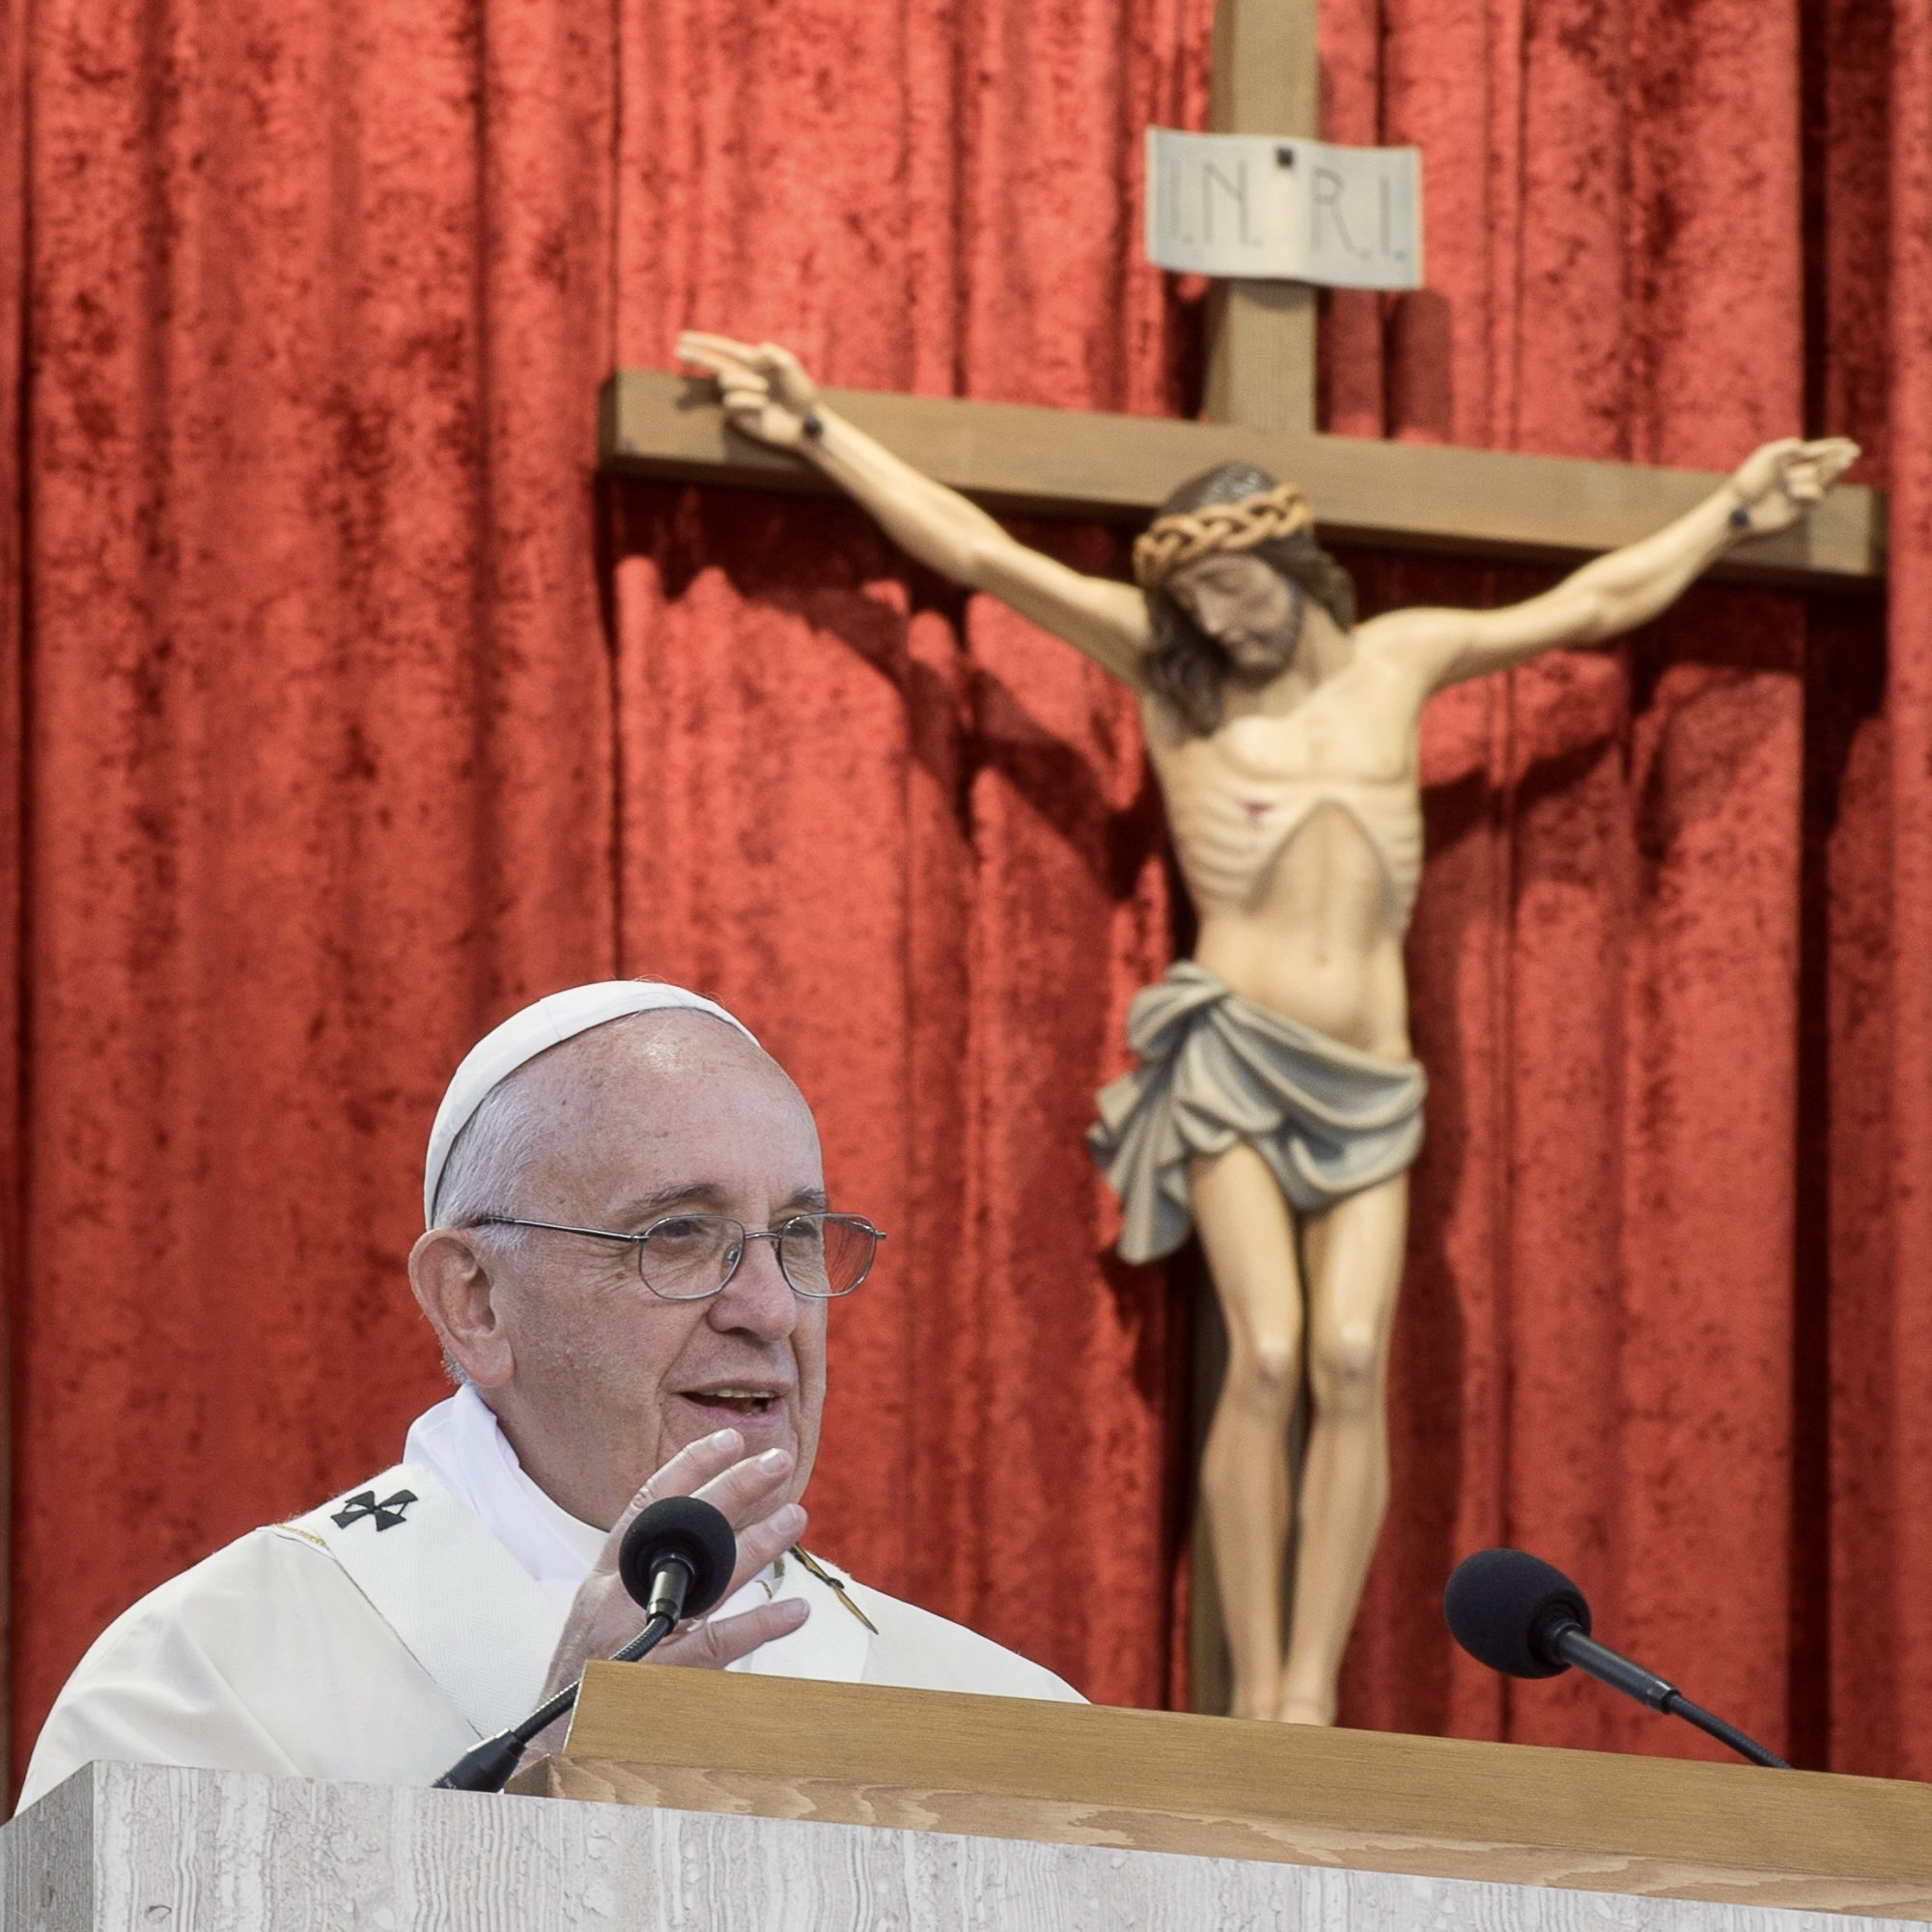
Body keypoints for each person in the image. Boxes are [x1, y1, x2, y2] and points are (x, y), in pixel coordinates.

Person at [676, 329, 1858, 1725]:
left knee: (1354, 1357)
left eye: (1236, 594)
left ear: (1291, 569)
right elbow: (988, 559)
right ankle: (1257, 1710)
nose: (1220, 626)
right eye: (1196, 605)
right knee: (1277, 1351)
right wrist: (818, 430)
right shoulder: (1181, 693)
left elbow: (1594, 604)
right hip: (1230, 1051)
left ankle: (1308, 1684)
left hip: (1372, 1073)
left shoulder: (1399, 663)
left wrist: (1734, 507)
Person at [18, 981, 1078, 1811]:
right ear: (473, 1302)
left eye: (797, 1236)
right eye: (677, 1235)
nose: (769, 1306)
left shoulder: (1006, 1722)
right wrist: (534, 1811)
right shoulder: (210, 1685)